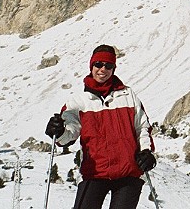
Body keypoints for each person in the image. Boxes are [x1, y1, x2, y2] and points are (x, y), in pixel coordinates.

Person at [45, 44, 156, 209]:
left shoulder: (128, 95)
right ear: (91, 66)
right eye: (98, 64)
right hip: (94, 173)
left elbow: (142, 127)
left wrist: (147, 152)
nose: (103, 69)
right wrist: (59, 131)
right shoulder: (78, 102)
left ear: (113, 68)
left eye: (108, 65)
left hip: (128, 172)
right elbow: (69, 134)